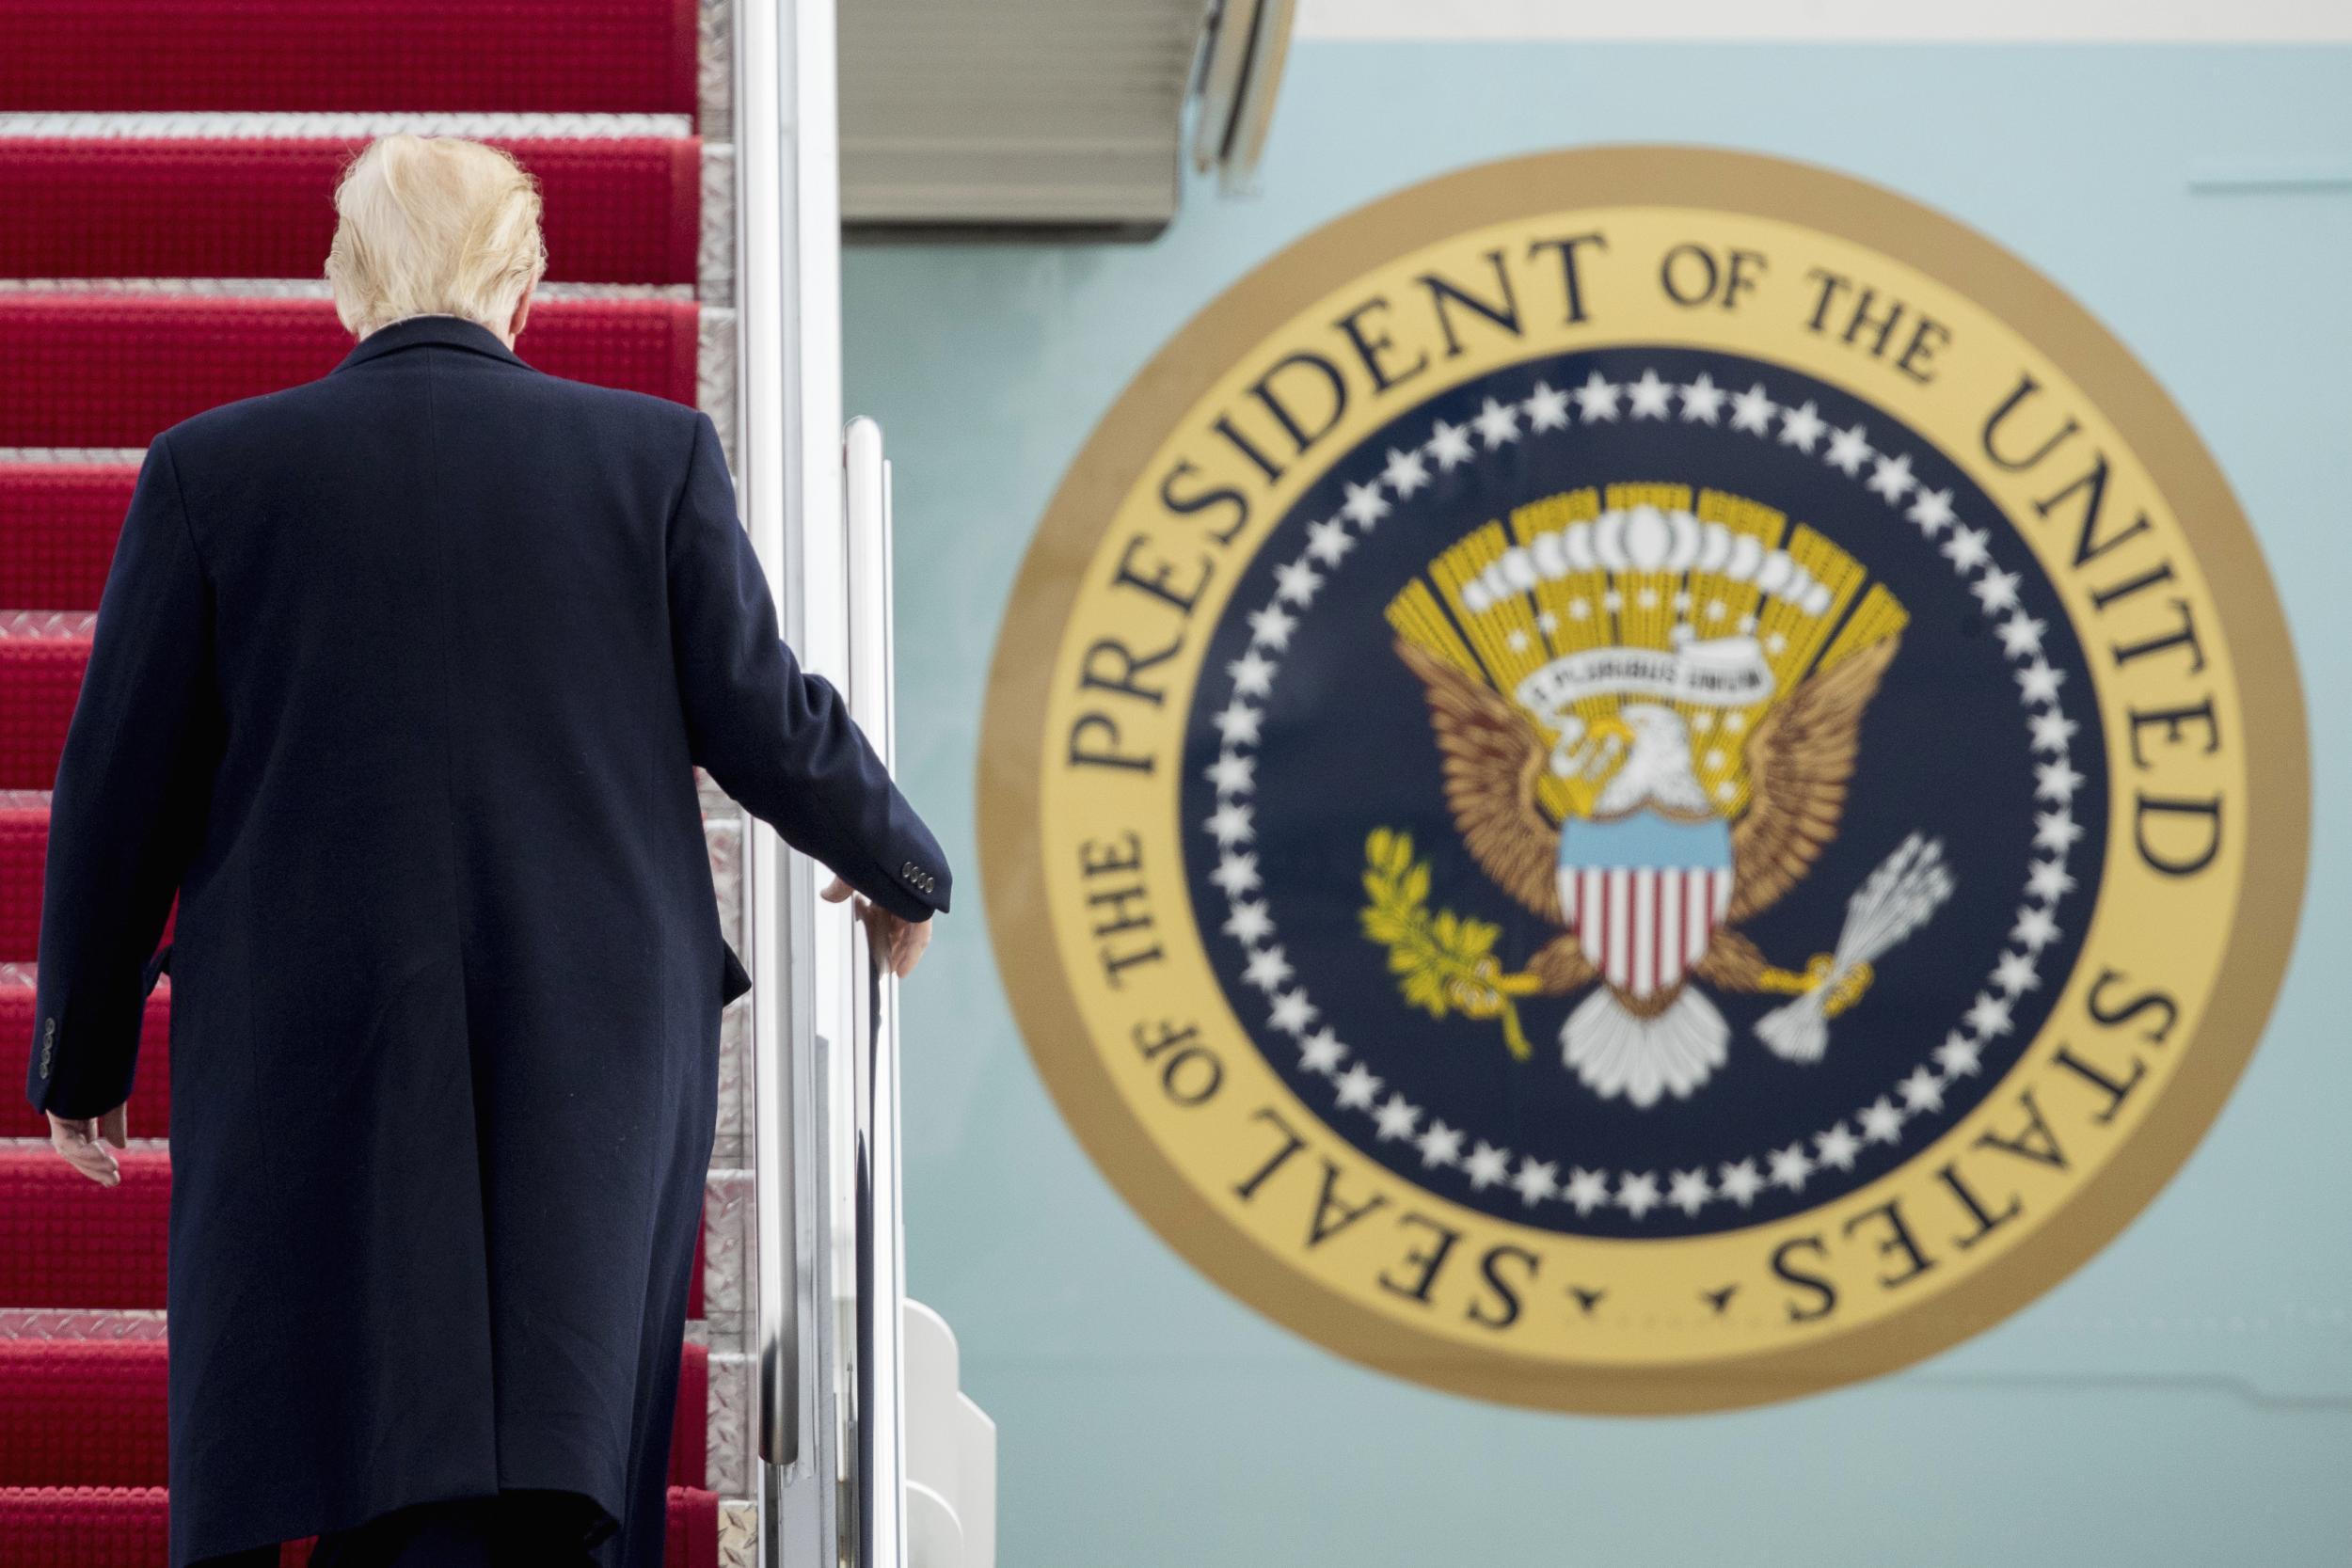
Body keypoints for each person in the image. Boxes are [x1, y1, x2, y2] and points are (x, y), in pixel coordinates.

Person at [25, 135, 947, 1567]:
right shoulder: (650, 456)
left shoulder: (212, 470)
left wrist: (81, 1051)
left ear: (346, 281)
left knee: (336, 1402)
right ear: (525, 281)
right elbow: (763, 714)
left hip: (309, 1014)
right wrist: (898, 863)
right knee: (566, 1401)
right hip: (592, 1005)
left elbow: (118, 784)